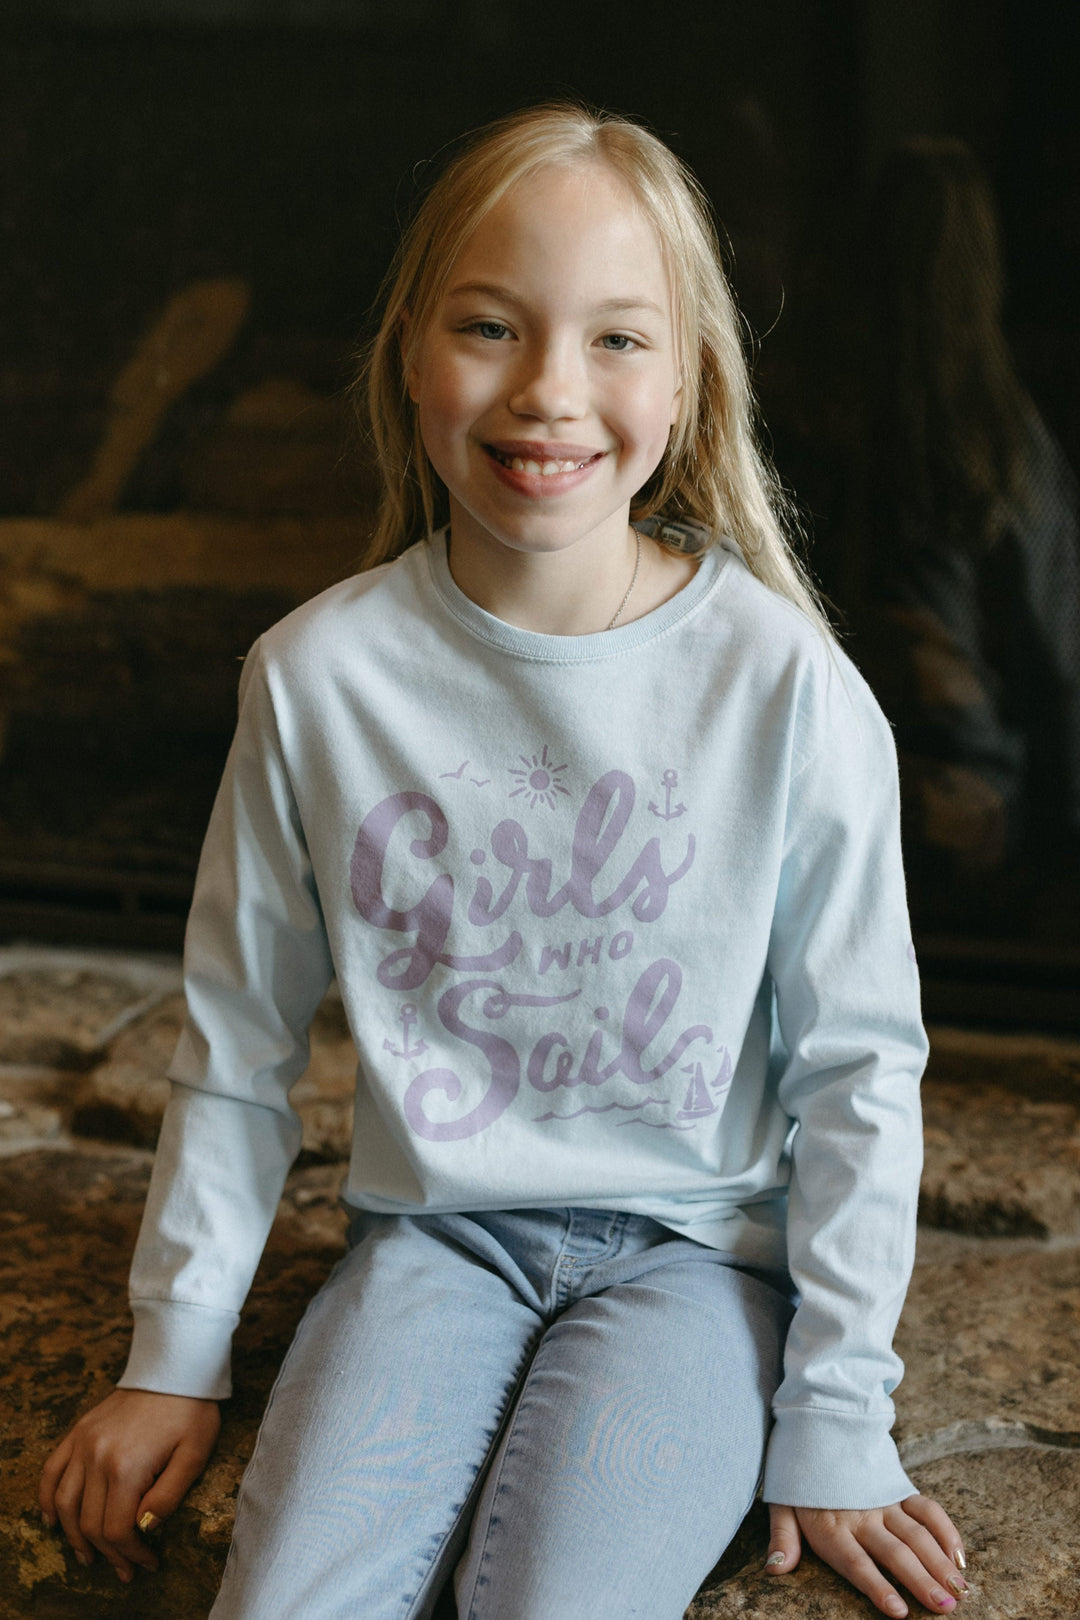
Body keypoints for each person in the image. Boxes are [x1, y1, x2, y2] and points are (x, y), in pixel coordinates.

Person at [39, 103, 970, 1620]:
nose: (549, 390)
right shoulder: (317, 680)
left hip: (697, 1265)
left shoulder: (783, 686)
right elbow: (236, 1044)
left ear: (689, 381)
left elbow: (861, 1069)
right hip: (432, 1248)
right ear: (409, 353)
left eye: (617, 339)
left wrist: (840, 1414)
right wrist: (176, 1355)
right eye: (490, 326)